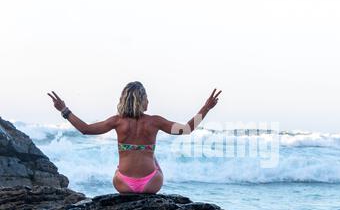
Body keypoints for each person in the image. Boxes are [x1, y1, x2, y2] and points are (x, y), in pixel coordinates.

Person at [47, 82, 221, 194]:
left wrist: (64, 110)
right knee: (153, 157)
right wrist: (206, 108)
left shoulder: (117, 121)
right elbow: (186, 129)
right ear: (141, 100)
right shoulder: (154, 122)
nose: (148, 101)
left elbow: (85, 129)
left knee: (120, 165)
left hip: (123, 183)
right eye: (146, 98)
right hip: (151, 183)